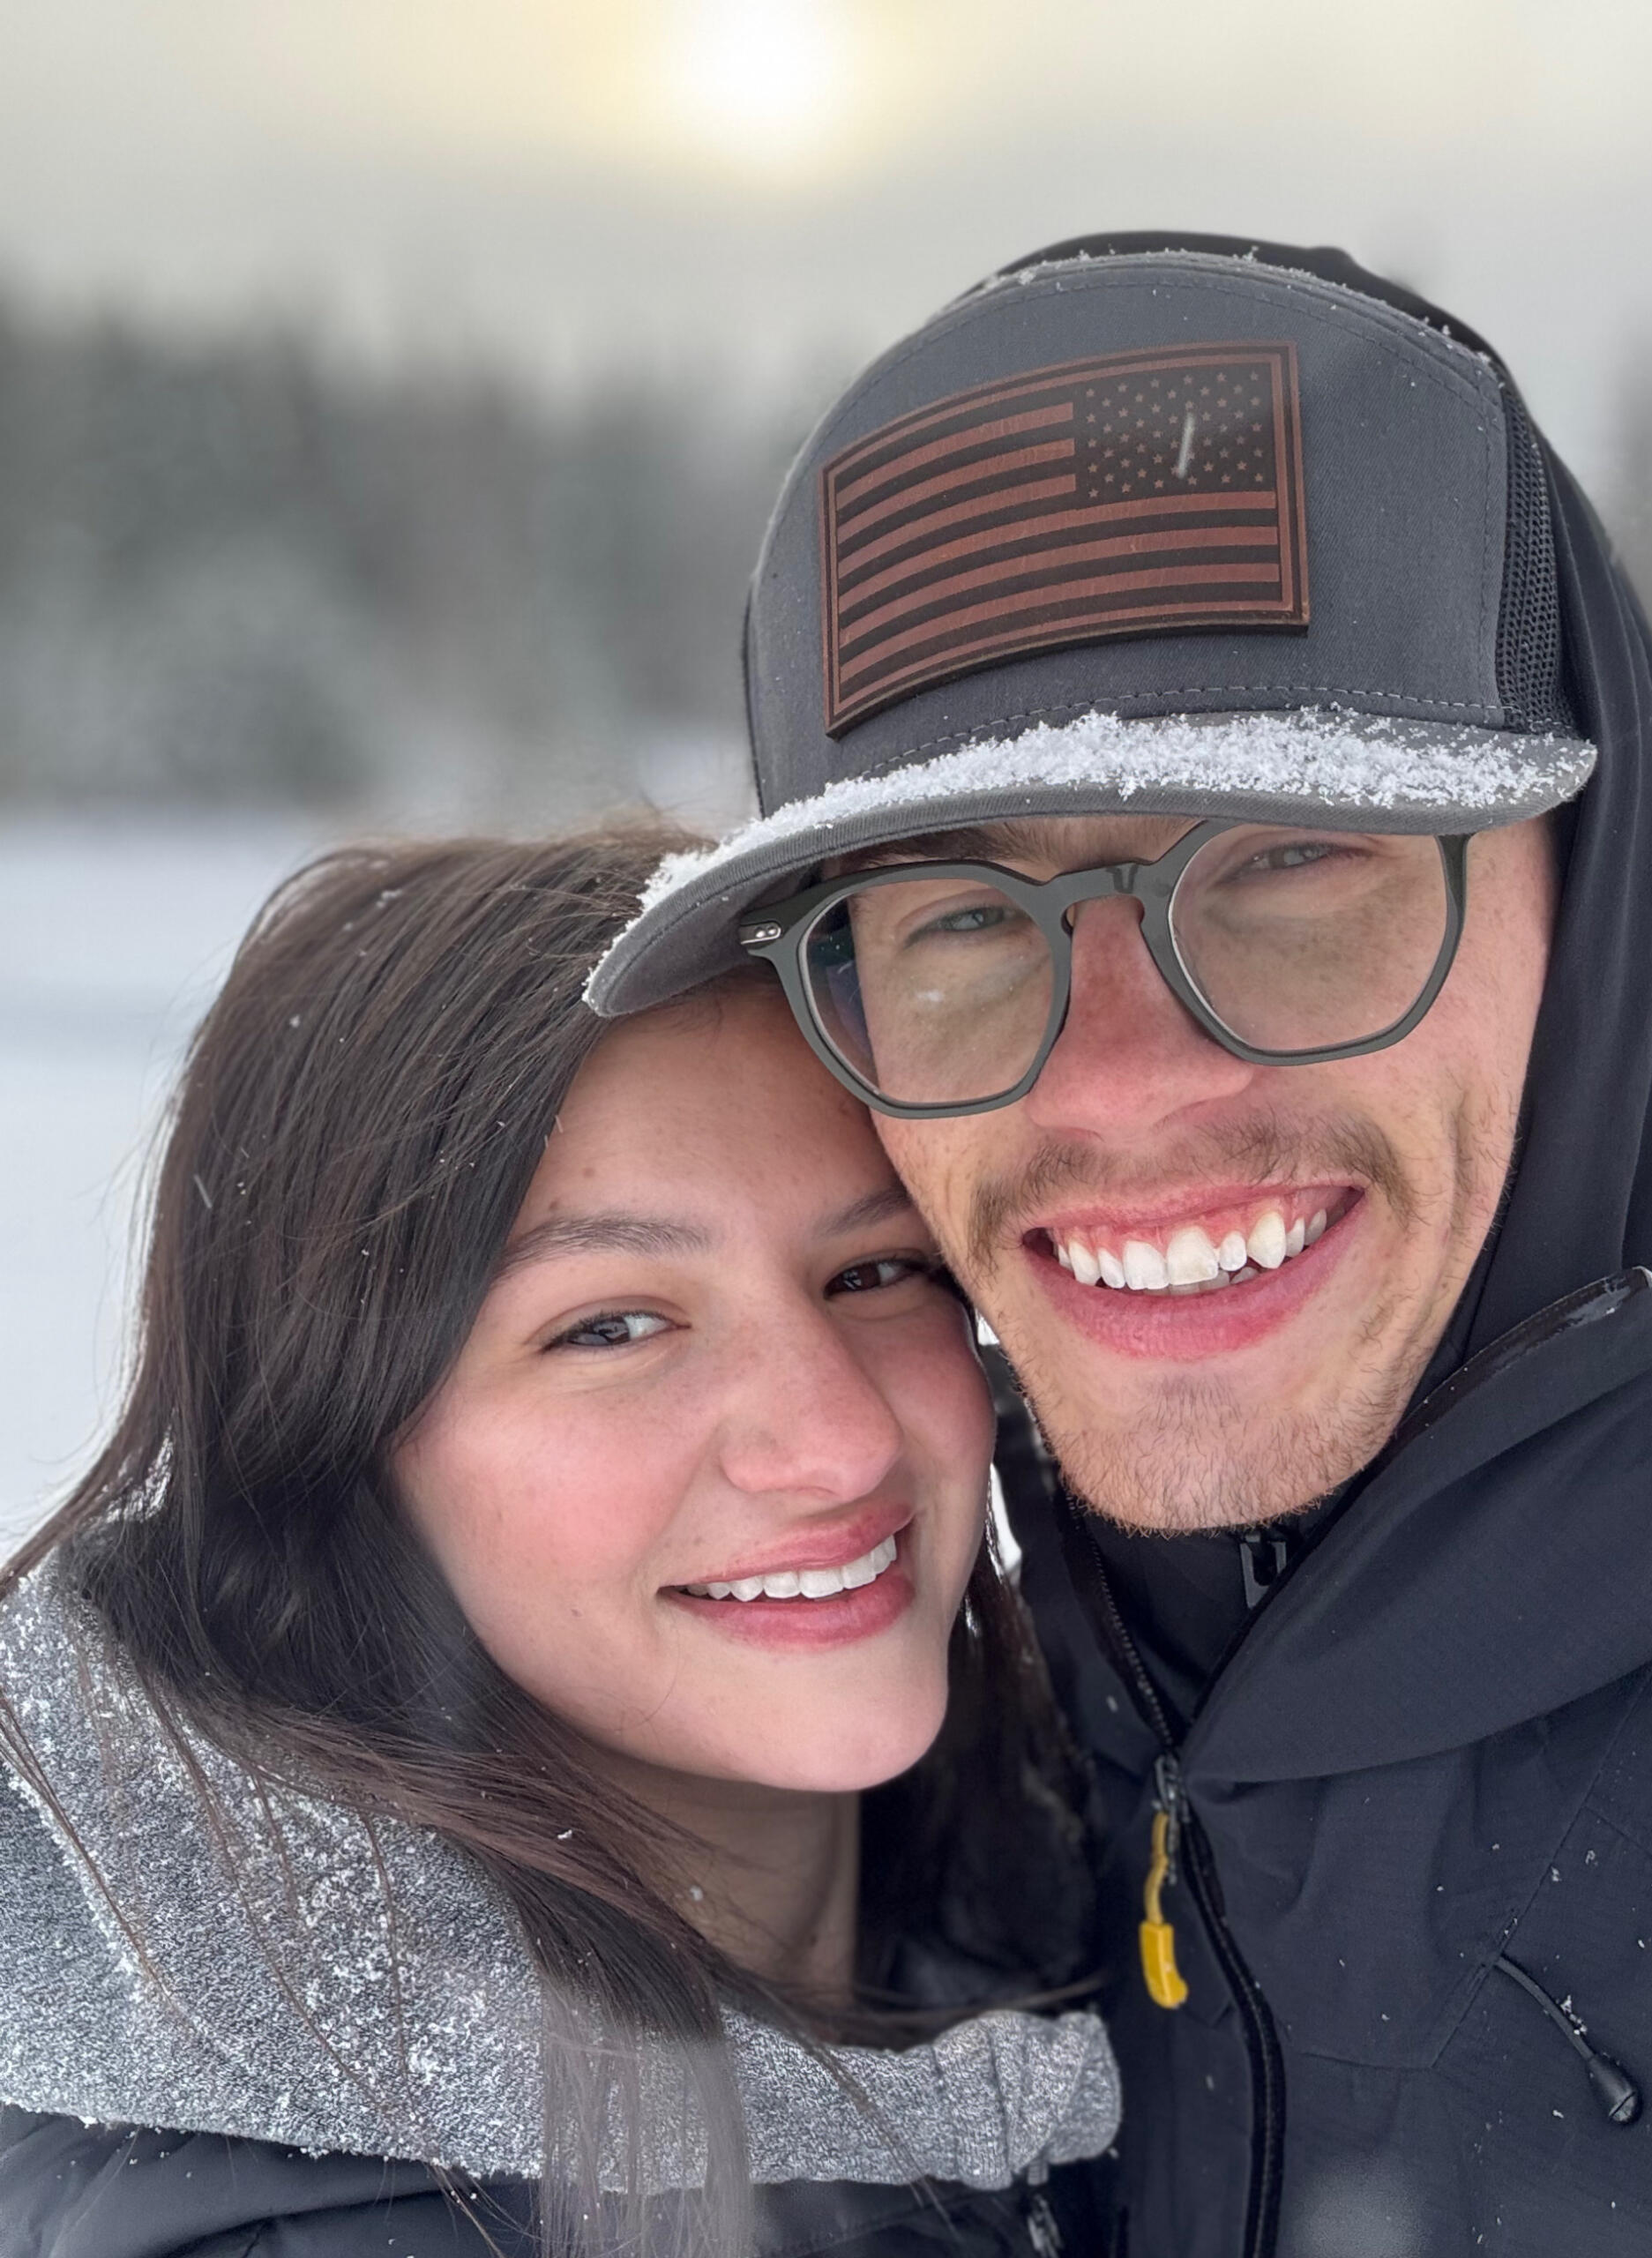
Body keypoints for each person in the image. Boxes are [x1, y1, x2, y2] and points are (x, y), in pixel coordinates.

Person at [587, 236, 1652, 2255]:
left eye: (1288, 858)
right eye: (964, 916)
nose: (1125, 1083)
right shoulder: (940, 1753)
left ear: (1609, 898)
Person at [0, 827, 1116, 2258]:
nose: (837, 1442)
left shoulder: (1128, 1939)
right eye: (613, 1327)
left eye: (876, 1270)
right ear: (335, 1445)